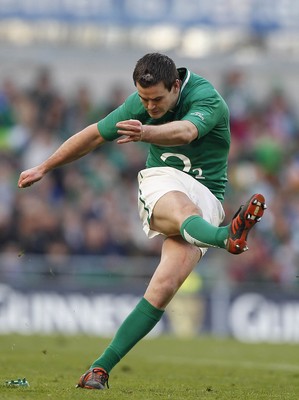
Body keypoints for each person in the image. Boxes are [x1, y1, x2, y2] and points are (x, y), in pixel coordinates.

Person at [18, 53, 266, 390]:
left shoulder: (207, 99)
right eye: (144, 98)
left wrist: (145, 132)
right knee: (184, 214)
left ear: (176, 86)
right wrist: (44, 167)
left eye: (157, 99)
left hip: (207, 194)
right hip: (162, 179)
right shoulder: (140, 104)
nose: (148, 106)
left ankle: (99, 370)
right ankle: (226, 237)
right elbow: (93, 135)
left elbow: (186, 131)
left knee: (162, 289)